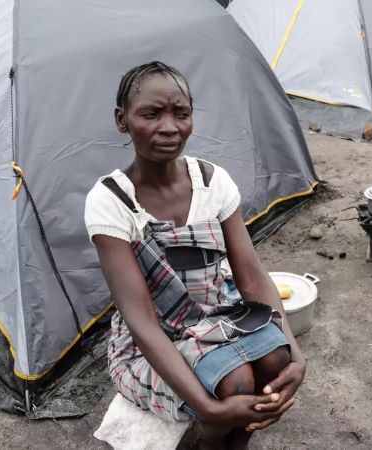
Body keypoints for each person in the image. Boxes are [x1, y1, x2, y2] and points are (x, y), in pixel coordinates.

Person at [86, 62, 305, 449]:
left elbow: (251, 277)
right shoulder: (111, 202)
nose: (169, 126)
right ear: (122, 120)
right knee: (235, 384)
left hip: (220, 315)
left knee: (276, 362)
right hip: (152, 340)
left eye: (180, 114)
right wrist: (207, 407)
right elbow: (142, 321)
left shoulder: (211, 180)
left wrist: (297, 355)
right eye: (151, 114)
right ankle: (211, 439)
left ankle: (236, 440)